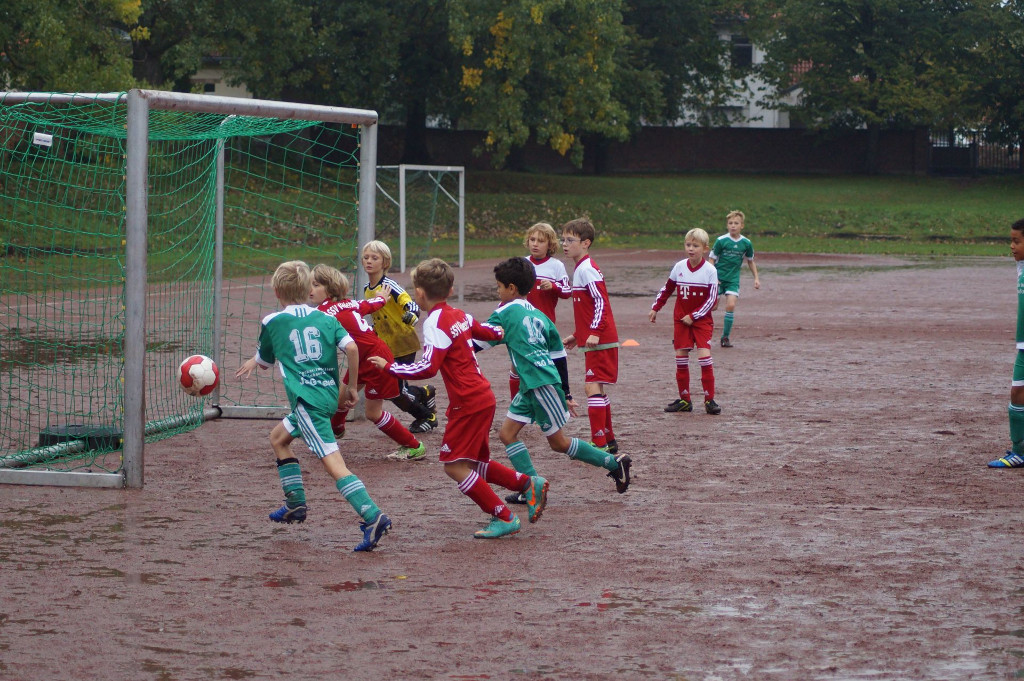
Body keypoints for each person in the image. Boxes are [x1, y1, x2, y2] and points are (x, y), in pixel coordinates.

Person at [368, 258, 544, 539]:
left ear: (420, 293)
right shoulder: (459, 314)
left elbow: (428, 367)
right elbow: (492, 332)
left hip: (469, 401)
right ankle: (527, 483)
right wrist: (509, 325)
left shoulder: (434, 322)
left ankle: (504, 516)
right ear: (450, 291)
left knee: (454, 466)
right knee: (472, 463)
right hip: (481, 396)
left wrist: (389, 367)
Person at [235, 260, 391, 552]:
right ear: (308, 289)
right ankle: (295, 505)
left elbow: (267, 360)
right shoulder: (326, 318)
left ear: (276, 291)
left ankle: (372, 515)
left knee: (334, 464)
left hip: (307, 403)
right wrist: (351, 387)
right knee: (279, 438)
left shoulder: (273, 322)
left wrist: (255, 361)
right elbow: (353, 348)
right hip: (328, 396)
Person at [482, 258, 631, 507]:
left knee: (559, 443)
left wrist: (455, 335)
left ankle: (614, 463)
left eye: (498, 287)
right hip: (536, 384)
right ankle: (529, 485)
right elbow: (558, 354)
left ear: (511, 288)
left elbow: (479, 341)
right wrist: (567, 391)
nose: (497, 291)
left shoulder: (504, 312)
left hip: (539, 385)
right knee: (507, 434)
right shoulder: (539, 315)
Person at [309, 264, 426, 461]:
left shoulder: (324, 314)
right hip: (365, 357)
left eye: (315, 285)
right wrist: (381, 298)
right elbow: (370, 305)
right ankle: (336, 430)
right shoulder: (349, 303)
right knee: (341, 398)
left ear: (329, 289)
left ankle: (413, 446)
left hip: (375, 360)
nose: (309, 289)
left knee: (373, 412)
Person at [361, 240, 437, 433]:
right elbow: (378, 317)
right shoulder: (367, 289)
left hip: (403, 342)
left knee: (395, 391)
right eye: (366, 257)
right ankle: (424, 393)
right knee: (393, 389)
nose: (369, 261)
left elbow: (409, 302)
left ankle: (427, 417)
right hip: (386, 346)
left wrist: (412, 314)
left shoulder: (389, 285)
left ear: (385, 263)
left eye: (374, 258)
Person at [561, 217, 620, 454]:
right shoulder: (581, 268)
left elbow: (601, 303)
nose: (564, 244)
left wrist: (594, 332)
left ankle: (599, 443)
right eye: (562, 239)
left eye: (570, 240)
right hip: (595, 338)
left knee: (591, 388)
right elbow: (588, 309)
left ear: (585, 243)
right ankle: (608, 439)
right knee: (597, 389)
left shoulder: (587, 268)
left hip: (601, 339)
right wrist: (579, 334)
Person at [650, 228, 722, 415]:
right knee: (681, 359)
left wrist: (695, 316)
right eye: (688, 244)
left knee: (704, 358)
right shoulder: (679, 267)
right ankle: (684, 400)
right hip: (681, 320)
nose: (691, 248)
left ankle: (709, 400)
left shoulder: (710, 271)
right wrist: (655, 307)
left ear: (705, 249)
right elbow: (667, 289)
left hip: (701, 321)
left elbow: (712, 299)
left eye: (695, 245)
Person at [507, 222, 572, 398]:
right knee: (516, 365)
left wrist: (554, 286)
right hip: (520, 324)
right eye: (532, 239)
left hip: (544, 324)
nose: (535, 243)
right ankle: (517, 403)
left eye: (541, 241)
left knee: (546, 364)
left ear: (550, 245)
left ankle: (554, 399)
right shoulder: (522, 264)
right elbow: (508, 291)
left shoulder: (556, 266)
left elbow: (567, 291)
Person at [989, 218, 1024, 468]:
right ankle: (1019, 450)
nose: (1011, 246)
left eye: (1016, 241)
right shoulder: (1021, 266)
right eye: (1010, 240)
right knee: (1017, 392)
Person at [709, 210, 760, 348]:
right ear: (727, 225)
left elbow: (750, 261)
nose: (733, 226)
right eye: (730, 223)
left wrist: (756, 278)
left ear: (742, 225)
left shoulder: (746, 243)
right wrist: (712, 278)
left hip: (733, 280)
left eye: (736, 223)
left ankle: (725, 337)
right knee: (712, 307)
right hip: (718, 279)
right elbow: (711, 259)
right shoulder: (721, 241)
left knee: (731, 305)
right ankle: (699, 330)